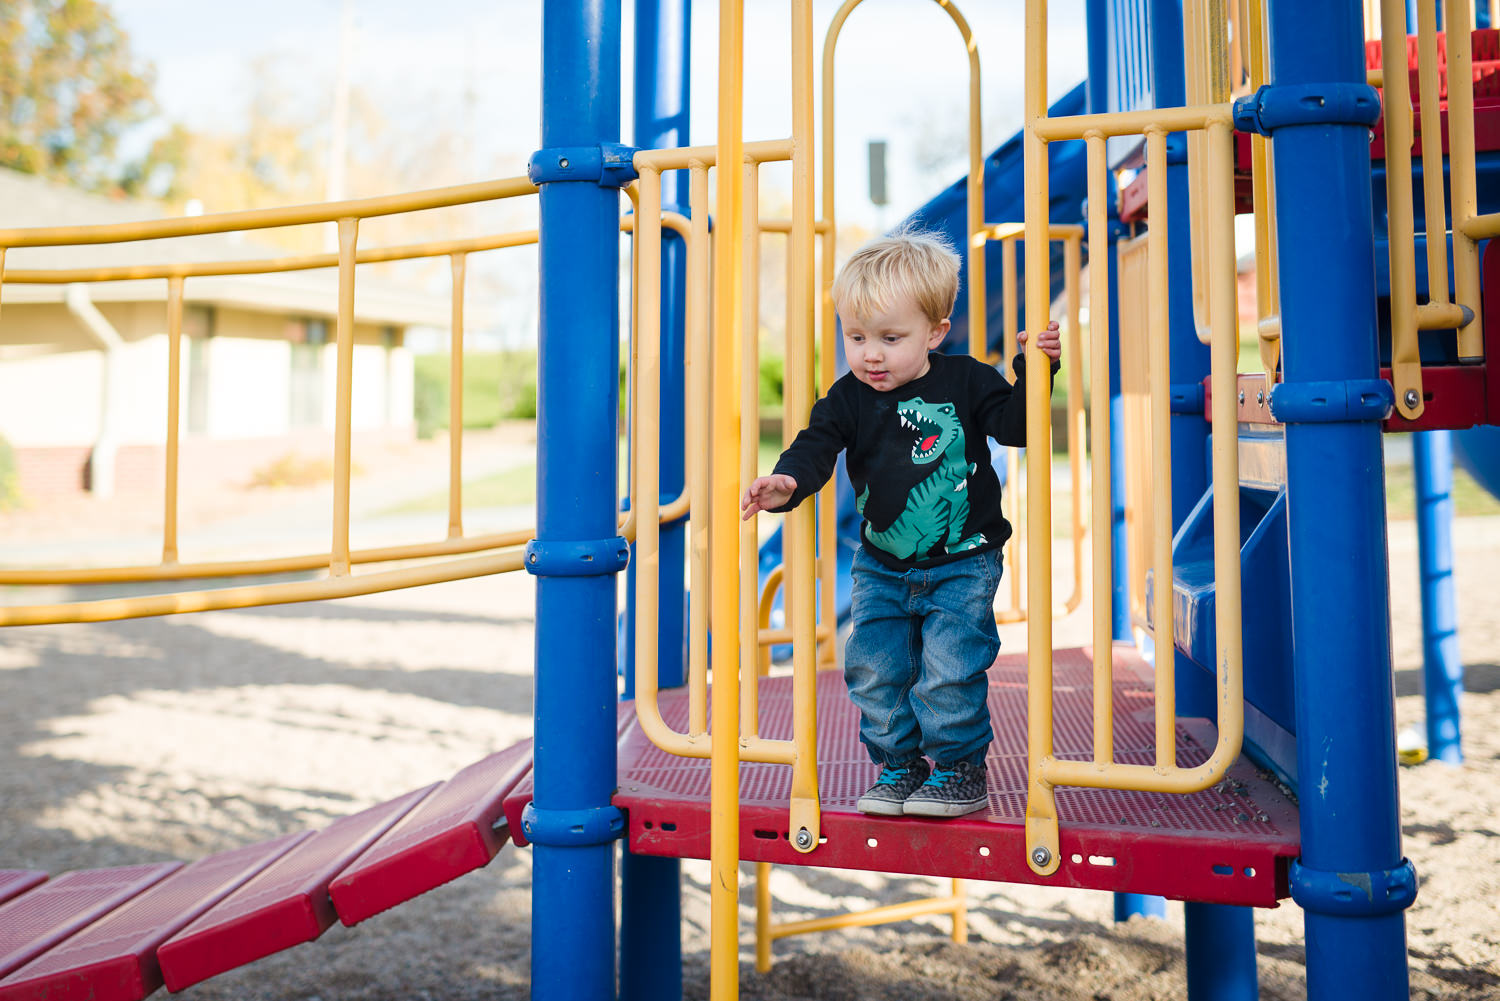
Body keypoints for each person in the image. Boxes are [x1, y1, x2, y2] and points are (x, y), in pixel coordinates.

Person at [740, 228, 1061, 818]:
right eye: (856, 337)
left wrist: (1033, 370)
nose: (870, 355)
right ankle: (899, 766)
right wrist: (786, 482)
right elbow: (815, 446)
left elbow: (1017, 428)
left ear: (935, 332)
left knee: (947, 669)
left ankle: (960, 769)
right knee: (872, 668)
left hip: (963, 559)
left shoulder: (966, 379)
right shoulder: (849, 396)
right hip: (881, 564)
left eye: (890, 338)